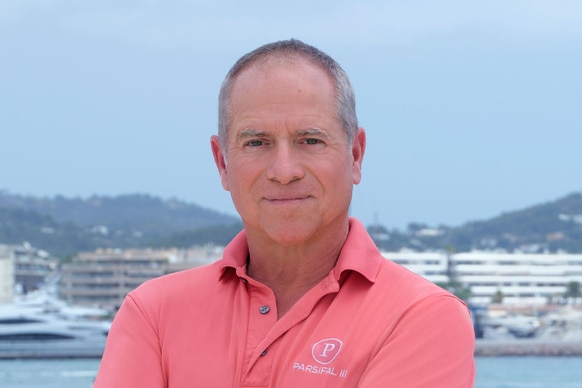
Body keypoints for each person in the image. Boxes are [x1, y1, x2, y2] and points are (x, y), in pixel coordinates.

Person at [94, 39, 475, 387]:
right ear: (222, 164)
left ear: (355, 155)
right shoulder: (152, 312)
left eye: (310, 140)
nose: (284, 170)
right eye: (256, 142)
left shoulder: (422, 316)